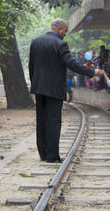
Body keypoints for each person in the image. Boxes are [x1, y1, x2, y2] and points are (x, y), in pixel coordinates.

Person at [29, 18, 102, 163]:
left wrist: (35, 83)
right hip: (54, 89)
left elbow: (31, 65)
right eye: (65, 31)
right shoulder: (60, 44)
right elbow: (71, 64)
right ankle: (52, 156)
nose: (65, 34)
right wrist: (92, 72)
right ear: (58, 29)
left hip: (39, 87)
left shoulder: (35, 41)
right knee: (54, 121)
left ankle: (43, 154)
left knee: (42, 120)